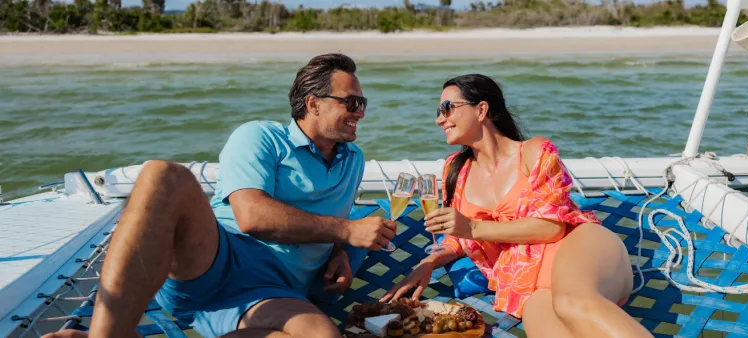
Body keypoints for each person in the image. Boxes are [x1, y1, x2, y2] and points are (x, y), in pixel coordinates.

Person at [44, 53, 397, 338]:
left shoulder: (353, 160)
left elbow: (333, 215)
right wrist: (346, 232)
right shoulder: (261, 137)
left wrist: (340, 252)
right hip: (215, 259)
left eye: (361, 101)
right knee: (164, 175)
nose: (360, 112)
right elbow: (252, 217)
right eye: (351, 102)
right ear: (313, 103)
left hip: (274, 292)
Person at [381, 74, 652, 338]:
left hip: (576, 245)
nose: (439, 119)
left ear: (481, 110)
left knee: (573, 303)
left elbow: (551, 228)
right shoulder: (456, 169)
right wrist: (429, 262)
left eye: (447, 108)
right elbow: (460, 236)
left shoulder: (534, 152)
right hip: (525, 282)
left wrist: (473, 227)